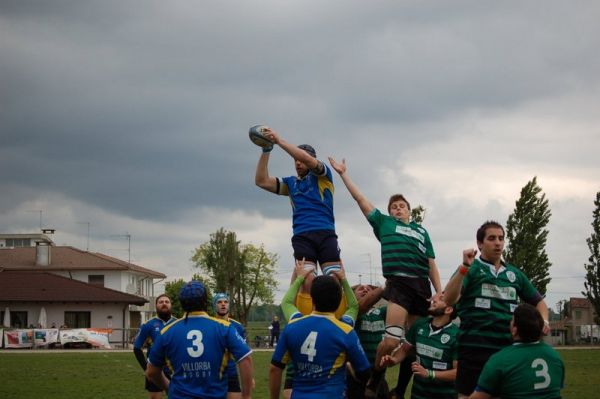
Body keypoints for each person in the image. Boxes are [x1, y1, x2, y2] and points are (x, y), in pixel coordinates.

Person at [328, 157, 442, 395]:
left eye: (402, 205)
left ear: (409, 210)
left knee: (415, 344)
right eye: (394, 206)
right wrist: (343, 174)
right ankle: (374, 379)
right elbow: (360, 200)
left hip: (421, 286)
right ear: (389, 212)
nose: (398, 208)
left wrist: (439, 292)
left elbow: (431, 263)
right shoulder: (384, 224)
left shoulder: (422, 232)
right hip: (398, 283)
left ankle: (399, 390)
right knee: (391, 342)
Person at [444, 221, 551, 398]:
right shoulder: (471, 268)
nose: (498, 243)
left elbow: (539, 303)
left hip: (506, 353)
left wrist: (544, 320)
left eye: (501, 238)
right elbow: (448, 299)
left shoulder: (514, 274)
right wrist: (464, 268)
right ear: (480, 243)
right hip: (473, 353)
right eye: (492, 238)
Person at [255, 127, 342, 296]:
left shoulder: (323, 175)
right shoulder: (291, 183)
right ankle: (311, 317)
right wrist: (267, 149)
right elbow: (261, 181)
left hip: (326, 234)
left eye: (299, 159)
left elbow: (306, 159)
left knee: (333, 280)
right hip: (302, 236)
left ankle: (333, 318)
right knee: (307, 280)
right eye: (295, 160)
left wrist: (279, 141)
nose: (297, 162)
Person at [146, 281, 254, 399]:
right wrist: (247, 396)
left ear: (182, 303)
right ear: (206, 302)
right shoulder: (224, 327)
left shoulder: (166, 331)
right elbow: (246, 359)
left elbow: (151, 372)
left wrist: (168, 387)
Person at [269, 275, 370, 399]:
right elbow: (364, 372)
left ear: (312, 299)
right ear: (339, 301)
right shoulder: (345, 330)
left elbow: (275, 368)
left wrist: (300, 278)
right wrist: (343, 279)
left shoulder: (292, 326)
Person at [469, 303, 564, 399]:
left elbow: (479, 396)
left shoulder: (500, 359)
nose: (510, 323)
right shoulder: (555, 356)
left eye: (512, 320)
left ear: (515, 329)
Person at [381, 292, 459, 399]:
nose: (434, 300)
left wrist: (429, 374)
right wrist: (394, 360)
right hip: (417, 394)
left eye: (441, 299)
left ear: (448, 310)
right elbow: (404, 349)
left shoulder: (457, 335)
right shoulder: (420, 324)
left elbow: (458, 373)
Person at [133, 294, 177, 399]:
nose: (164, 304)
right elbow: (137, 348)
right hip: (156, 368)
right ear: (156, 306)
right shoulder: (148, 325)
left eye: (167, 302)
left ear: (171, 305)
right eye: (161, 302)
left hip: (176, 369)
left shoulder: (178, 323)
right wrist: (146, 369)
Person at [213, 292, 249, 399]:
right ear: (214, 305)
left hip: (231, 373)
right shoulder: (209, 324)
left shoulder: (237, 326)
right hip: (212, 374)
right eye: (219, 302)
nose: (223, 304)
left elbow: (244, 355)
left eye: (226, 302)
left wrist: (249, 378)